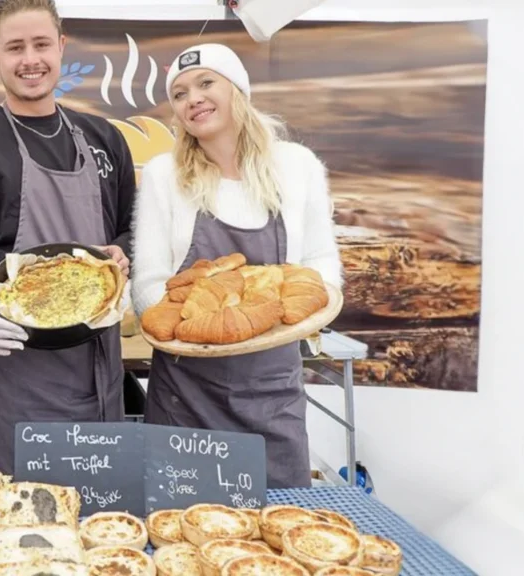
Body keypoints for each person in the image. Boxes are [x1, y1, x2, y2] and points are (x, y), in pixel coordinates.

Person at [0, 0, 136, 474]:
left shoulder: (105, 139)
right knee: (14, 510)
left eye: (41, 44)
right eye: (15, 47)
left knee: (101, 511)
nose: (30, 60)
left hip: (100, 369)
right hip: (19, 376)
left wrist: (124, 253)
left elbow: (132, 228)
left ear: (61, 46)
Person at [130, 44, 344, 488]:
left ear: (237, 89)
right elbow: (148, 284)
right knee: (181, 520)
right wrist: (201, 328)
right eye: (180, 93)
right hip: (186, 395)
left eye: (206, 83)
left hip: (271, 392)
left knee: (282, 515)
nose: (193, 99)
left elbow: (320, 263)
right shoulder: (164, 175)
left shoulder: (296, 166)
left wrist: (269, 322)